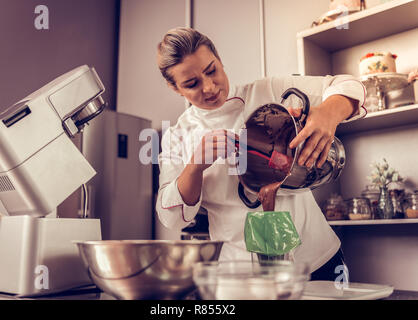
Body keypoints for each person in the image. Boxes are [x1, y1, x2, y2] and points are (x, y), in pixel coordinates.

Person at [155, 27, 366, 280]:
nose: (209, 87)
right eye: (192, 84)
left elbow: (349, 85)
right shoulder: (177, 136)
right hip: (242, 275)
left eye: (212, 70)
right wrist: (195, 166)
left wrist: (327, 114)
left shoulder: (269, 91)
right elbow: (170, 217)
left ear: (220, 60)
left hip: (318, 262)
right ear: (174, 88)